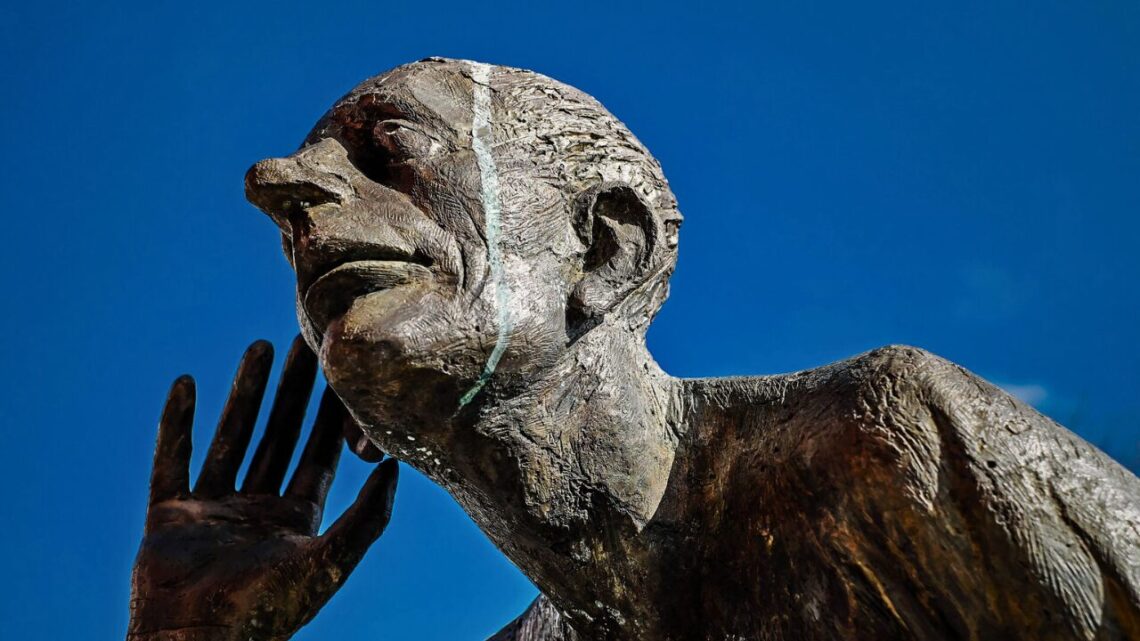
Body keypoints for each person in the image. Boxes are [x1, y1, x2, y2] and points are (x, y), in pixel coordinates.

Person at [130, 58, 1140, 640]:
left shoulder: (882, 449)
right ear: (360, 425)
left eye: (389, 148)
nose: (280, 183)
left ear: (606, 249)